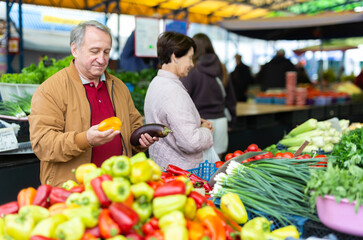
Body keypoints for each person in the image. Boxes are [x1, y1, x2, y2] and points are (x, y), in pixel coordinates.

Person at [29, 20, 158, 187]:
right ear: (75, 50)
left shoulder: (118, 87)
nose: (102, 59)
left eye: (106, 52)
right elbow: (43, 144)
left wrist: (140, 141)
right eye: (94, 51)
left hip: (117, 186)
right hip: (73, 191)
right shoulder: (50, 90)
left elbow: (133, 127)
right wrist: (85, 139)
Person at [144, 31, 213, 170]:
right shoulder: (172, 91)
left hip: (164, 168)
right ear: (175, 56)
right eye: (189, 58)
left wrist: (195, 122)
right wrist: (205, 130)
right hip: (182, 173)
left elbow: (169, 121)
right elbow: (191, 142)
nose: (192, 64)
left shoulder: (157, 83)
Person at [181, 33, 236, 159]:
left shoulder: (191, 69)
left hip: (200, 122)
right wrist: (232, 120)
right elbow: (230, 97)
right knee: (218, 161)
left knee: (201, 162)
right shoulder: (221, 67)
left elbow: (185, 97)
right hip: (221, 119)